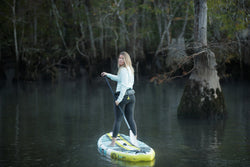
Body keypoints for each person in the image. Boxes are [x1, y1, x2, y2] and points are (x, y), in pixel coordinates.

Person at [101, 51, 137, 146]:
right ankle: (135, 140)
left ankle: (112, 143)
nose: (120, 59)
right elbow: (119, 78)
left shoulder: (123, 70)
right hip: (131, 96)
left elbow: (124, 86)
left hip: (123, 96)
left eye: (122, 58)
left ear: (126, 60)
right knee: (130, 119)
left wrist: (119, 100)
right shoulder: (130, 69)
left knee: (118, 120)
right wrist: (107, 75)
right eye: (119, 58)